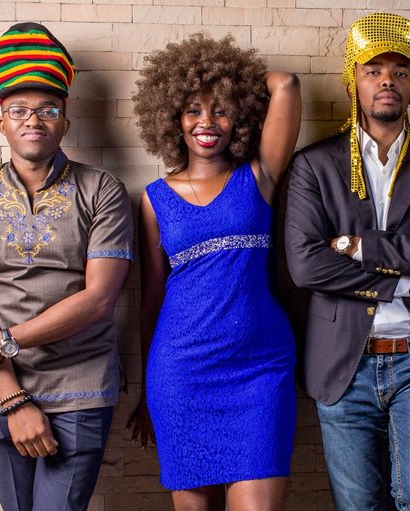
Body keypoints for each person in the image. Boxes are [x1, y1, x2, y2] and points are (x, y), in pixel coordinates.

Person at [285, 13, 410, 511]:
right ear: (354, 81)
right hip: (342, 360)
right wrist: (404, 282)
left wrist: (357, 246)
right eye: (374, 70)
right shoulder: (314, 165)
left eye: (400, 72)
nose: (387, 80)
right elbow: (305, 265)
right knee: (358, 505)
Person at [0, 23, 134, 511]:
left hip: (80, 386)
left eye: (48, 110)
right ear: (2, 123)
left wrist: (4, 341)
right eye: (19, 110)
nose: (34, 120)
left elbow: (98, 300)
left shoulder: (102, 190)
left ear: (65, 122)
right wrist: (12, 399)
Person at [127, 33, 301, 510]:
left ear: (239, 118)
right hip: (181, 373)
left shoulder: (259, 177)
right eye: (192, 110)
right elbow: (151, 298)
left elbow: (286, 84)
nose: (206, 122)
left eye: (221, 110)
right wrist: (146, 391)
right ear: (172, 119)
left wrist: (233, 80)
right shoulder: (154, 199)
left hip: (260, 372)